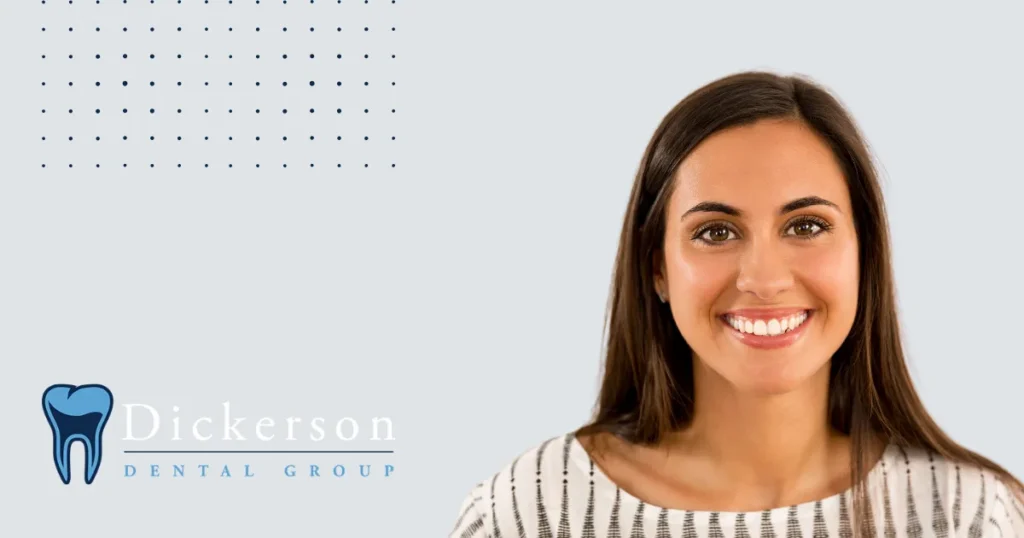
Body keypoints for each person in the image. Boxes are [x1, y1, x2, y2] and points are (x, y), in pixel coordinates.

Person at [446, 70, 1024, 538]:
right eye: (716, 232)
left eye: (806, 225)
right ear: (657, 269)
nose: (765, 279)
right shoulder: (526, 512)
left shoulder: (971, 514)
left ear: (864, 255)